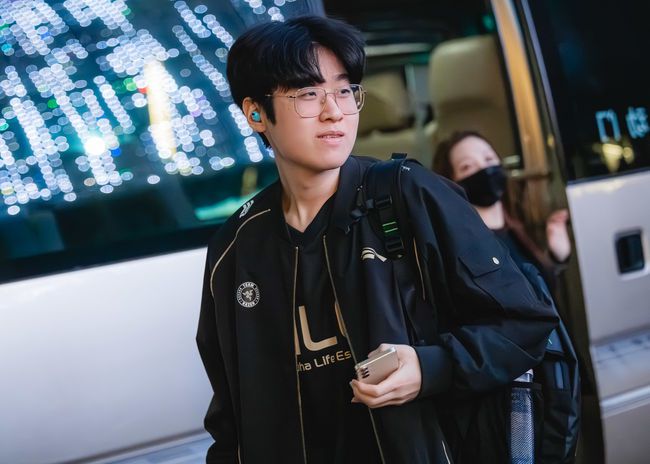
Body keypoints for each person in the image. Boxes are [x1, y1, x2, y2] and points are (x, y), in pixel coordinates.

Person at [196, 16, 557, 464]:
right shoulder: (235, 249)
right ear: (255, 113)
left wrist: (431, 367)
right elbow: (230, 421)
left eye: (345, 91)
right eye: (307, 94)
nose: (334, 112)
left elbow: (525, 324)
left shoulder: (411, 195)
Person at [433, 130, 572, 289]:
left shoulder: (517, 227)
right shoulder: (465, 253)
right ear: (451, 183)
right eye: (467, 166)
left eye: (489, 158)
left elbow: (538, 290)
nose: (484, 168)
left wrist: (556, 257)